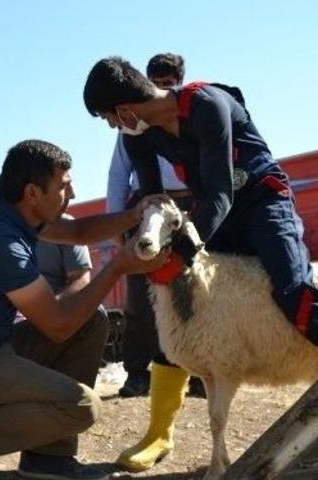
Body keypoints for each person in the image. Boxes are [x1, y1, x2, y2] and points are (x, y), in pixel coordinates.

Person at [83, 56, 318, 472]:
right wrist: (151, 241)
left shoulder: (207, 106)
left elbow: (218, 193)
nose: (113, 127)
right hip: (214, 214)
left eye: (109, 118)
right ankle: (158, 433)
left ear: (124, 110)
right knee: (183, 313)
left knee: (293, 291)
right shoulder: (137, 138)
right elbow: (152, 196)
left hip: (263, 204)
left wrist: (188, 246)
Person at [0, 140, 169, 480]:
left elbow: (78, 231)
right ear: (33, 192)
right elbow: (58, 325)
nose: (73, 193)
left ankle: (48, 458)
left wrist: (134, 215)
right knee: (82, 407)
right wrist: (116, 268)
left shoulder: (8, 212)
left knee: (91, 321)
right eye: (64, 186)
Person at [107, 53, 200, 399]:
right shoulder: (131, 125)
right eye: (156, 83)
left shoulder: (192, 117)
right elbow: (119, 174)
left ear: (178, 81)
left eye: (169, 83)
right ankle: (136, 373)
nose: (164, 88)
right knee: (141, 296)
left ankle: (198, 374)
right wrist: (117, 222)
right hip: (146, 209)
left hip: (192, 208)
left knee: (195, 292)